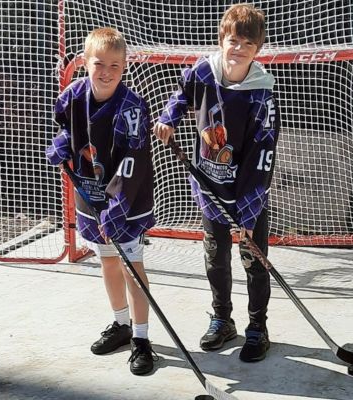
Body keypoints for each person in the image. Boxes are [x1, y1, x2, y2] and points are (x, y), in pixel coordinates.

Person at [154, 3, 279, 362]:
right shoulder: (203, 72)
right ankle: (222, 320)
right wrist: (168, 119)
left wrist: (248, 206)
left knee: (254, 259)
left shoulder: (261, 93)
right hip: (208, 181)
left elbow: (263, 151)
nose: (238, 49)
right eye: (233, 40)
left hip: (247, 188)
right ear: (222, 39)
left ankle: (258, 327)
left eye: (247, 44)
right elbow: (181, 96)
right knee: (216, 256)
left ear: (257, 50)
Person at [46, 27, 157, 375]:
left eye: (114, 65)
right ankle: (121, 325)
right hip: (90, 192)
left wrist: (117, 207)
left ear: (124, 67)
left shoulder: (132, 107)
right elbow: (68, 128)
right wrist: (63, 143)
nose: (106, 71)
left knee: (131, 266)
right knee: (108, 262)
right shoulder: (73, 96)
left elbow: (132, 162)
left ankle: (141, 338)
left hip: (127, 197)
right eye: (99, 64)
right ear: (85, 63)